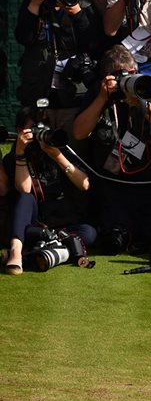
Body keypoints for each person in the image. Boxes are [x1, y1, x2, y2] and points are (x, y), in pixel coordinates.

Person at [72, 45, 151, 254]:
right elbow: (78, 132)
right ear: (107, 77)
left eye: (131, 74)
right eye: (121, 76)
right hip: (112, 184)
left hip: (149, 183)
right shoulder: (99, 92)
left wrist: (142, 104)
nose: (126, 81)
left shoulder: (146, 87)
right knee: (113, 238)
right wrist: (102, 98)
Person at [15, 0, 102, 139]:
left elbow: (92, 43)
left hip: (73, 94)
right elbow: (24, 38)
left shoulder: (83, 5)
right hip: (38, 92)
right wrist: (35, 5)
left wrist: (77, 13)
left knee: (72, 151)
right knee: (37, 149)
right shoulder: (32, 5)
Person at [3, 106, 94, 275]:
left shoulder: (60, 149)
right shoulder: (12, 158)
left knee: (89, 233)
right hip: (31, 224)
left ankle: (35, 254)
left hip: (60, 226)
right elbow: (24, 189)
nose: (40, 133)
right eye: (34, 128)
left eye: (44, 125)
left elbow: (84, 184)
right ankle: (16, 252)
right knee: (25, 198)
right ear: (20, 130)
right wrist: (21, 152)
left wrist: (57, 156)